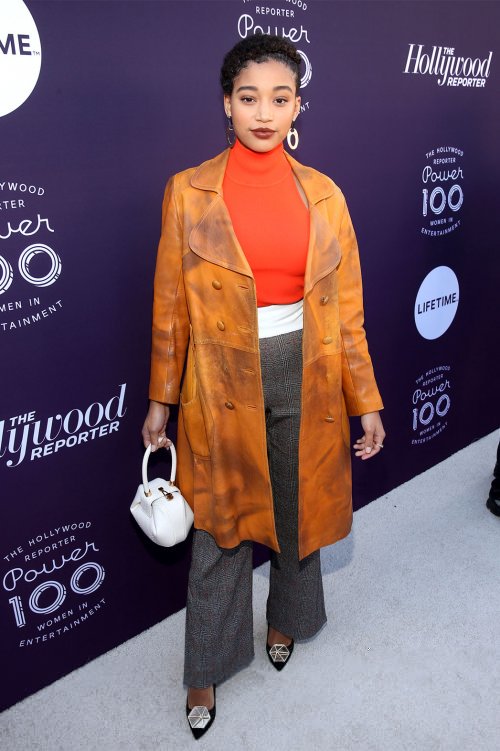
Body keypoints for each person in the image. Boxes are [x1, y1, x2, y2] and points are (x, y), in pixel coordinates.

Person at [142, 34, 385, 740]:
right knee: (221, 525)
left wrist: (364, 398)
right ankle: (206, 664)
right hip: (219, 376)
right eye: (249, 97)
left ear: (298, 106)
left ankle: (288, 617)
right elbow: (169, 310)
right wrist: (161, 397)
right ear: (226, 103)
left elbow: (347, 313)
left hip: (306, 367)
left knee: (297, 505)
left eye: (280, 98)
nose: (263, 112)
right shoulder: (187, 191)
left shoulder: (325, 194)